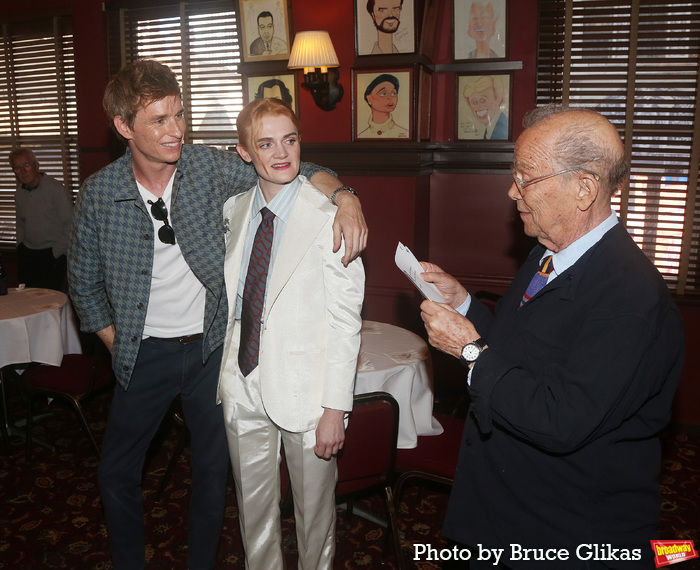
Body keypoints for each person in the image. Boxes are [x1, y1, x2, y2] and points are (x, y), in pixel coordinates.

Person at [67, 59, 366, 570]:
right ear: (124, 128)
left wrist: (346, 197)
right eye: (158, 120)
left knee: (212, 472)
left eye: (178, 115)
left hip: (210, 353)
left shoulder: (206, 166)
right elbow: (83, 283)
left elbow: (289, 166)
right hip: (143, 354)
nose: (175, 130)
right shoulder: (99, 194)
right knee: (115, 473)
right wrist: (117, 342)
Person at [419, 104, 683, 568]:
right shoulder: (548, 253)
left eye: (525, 177)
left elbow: (561, 420)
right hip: (502, 509)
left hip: (564, 533)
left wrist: (467, 349)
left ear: (584, 188)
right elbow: (515, 347)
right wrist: (463, 302)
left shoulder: (631, 297)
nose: (511, 191)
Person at [218, 98, 364, 569]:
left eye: (290, 139)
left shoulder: (331, 216)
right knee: (253, 514)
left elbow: (346, 323)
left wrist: (335, 410)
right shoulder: (235, 210)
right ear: (244, 153)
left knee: (314, 517)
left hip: (308, 395)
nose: (281, 153)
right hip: (242, 383)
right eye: (265, 143)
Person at [9, 147, 73, 290]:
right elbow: (20, 223)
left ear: (36, 166)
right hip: (29, 254)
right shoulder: (19, 193)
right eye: (17, 168)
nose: (23, 172)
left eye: (26, 165)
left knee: (51, 301)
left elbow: (71, 225)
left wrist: (55, 252)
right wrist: (20, 246)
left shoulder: (56, 189)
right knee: (28, 299)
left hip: (52, 255)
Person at [358, 74, 409, 139]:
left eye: (393, 93)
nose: (390, 97)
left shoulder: (405, 134)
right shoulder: (361, 136)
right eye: (384, 94)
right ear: (369, 99)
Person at [462, 75, 508, 140]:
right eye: (474, 102)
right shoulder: (490, 128)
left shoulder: (503, 128)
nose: (479, 106)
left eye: (483, 100)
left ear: (497, 99)